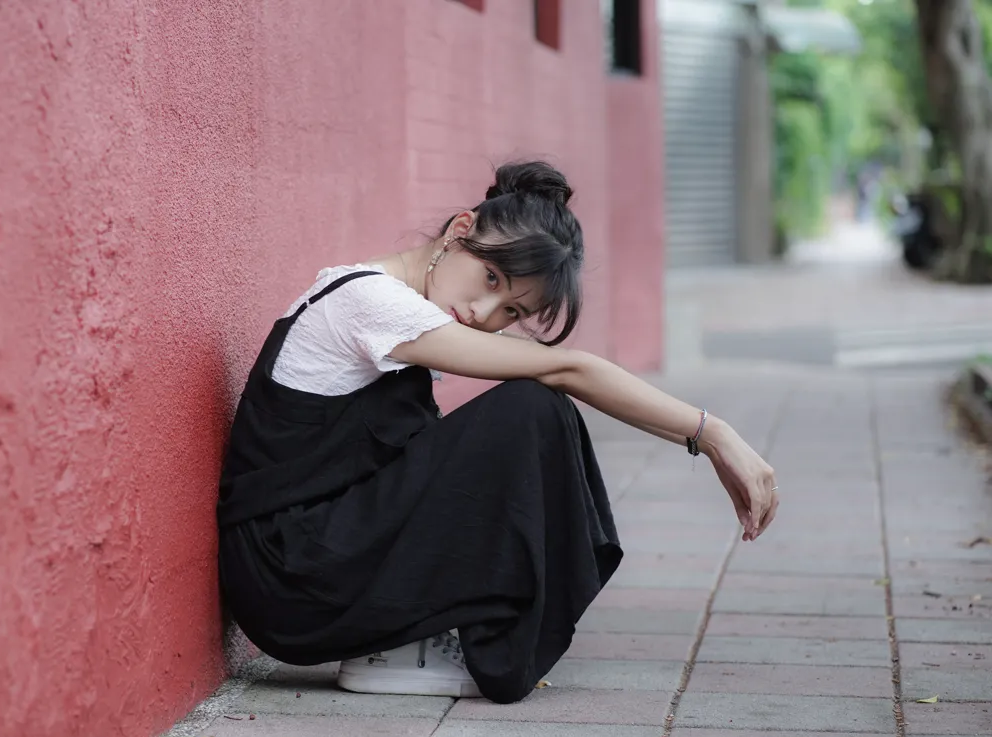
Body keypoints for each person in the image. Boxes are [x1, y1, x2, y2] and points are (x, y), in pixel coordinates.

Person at [216, 161, 778, 705]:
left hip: (308, 560)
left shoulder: (405, 311)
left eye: (511, 309)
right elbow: (566, 369)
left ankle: (412, 636)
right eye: (490, 278)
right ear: (461, 230)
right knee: (532, 406)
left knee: (529, 410)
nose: (485, 311)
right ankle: (417, 641)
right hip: (285, 576)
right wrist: (713, 435)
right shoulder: (370, 303)